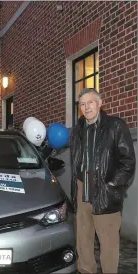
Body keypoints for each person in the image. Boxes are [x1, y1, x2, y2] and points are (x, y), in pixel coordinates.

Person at [69, 88, 135, 273]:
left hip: (105, 190)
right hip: (82, 190)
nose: (86, 107)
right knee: (83, 239)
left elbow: (128, 161)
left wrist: (112, 185)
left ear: (100, 103)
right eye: (82, 104)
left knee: (108, 242)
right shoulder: (76, 131)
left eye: (90, 102)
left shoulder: (115, 126)